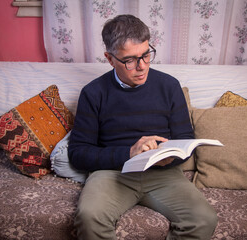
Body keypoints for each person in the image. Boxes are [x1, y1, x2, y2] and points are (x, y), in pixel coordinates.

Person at [68, 14, 218, 240]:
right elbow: (78, 154)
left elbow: (185, 137)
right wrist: (129, 153)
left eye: (146, 55)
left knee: (204, 219)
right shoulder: (93, 93)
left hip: (164, 175)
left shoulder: (169, 86)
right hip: (112, 175)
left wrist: (171, 157)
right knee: (89, 216)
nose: (141, 67)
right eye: (130, 60)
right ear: (110, 59)